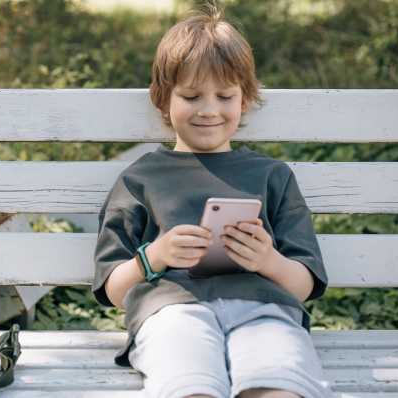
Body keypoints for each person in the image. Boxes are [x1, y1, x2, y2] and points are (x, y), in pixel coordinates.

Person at [91, 3, 335, 398]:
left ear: (245, 100)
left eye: (225, 96)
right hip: (171, 310)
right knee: (189, 383)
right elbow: (113, 290)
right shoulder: (140, 179)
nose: (209, 110)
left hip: (264, 310)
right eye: (191, 96)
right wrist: (157, 255)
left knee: (277, 380)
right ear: (162, 99)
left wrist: (267, 261)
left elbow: (305, 284)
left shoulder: (272, 176)